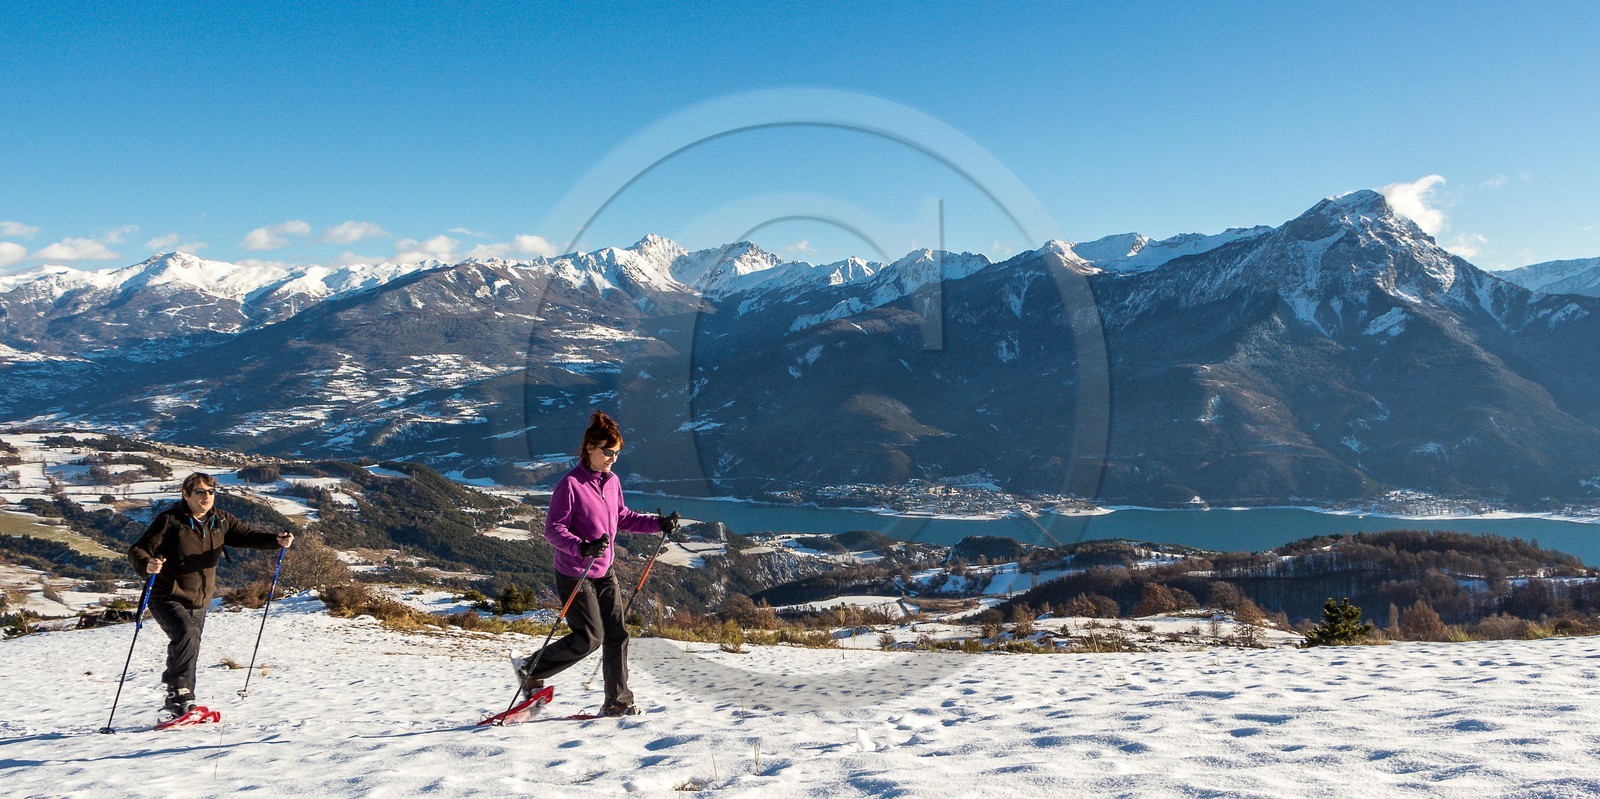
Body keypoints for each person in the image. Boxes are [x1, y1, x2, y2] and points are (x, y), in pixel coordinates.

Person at [514, 411, 679, 717]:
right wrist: (582, 547)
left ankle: (617, 703)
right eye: (608, 452)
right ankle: (530, 668)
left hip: (605, 571)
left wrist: (659, 523)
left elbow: (623, 516)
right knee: (589, 638)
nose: (613, 459)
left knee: (617, 634)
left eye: (617, 453)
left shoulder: (612, 482)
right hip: (575, 572)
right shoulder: (570, 485)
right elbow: (553, 529)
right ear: (590, 448)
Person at [127, 472, 293, 717]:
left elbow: (246, 536)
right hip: (166, 593)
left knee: (190, 644)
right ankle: (177, 694)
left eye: (211, 492)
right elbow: (138, 549)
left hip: (200, 599)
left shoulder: (220, 520)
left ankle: (184, 700)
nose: (207, 497)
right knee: (186, 635)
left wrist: (275, 540)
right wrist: (146, 564)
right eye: (200, 492)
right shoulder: (170, 520)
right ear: (186, 494)